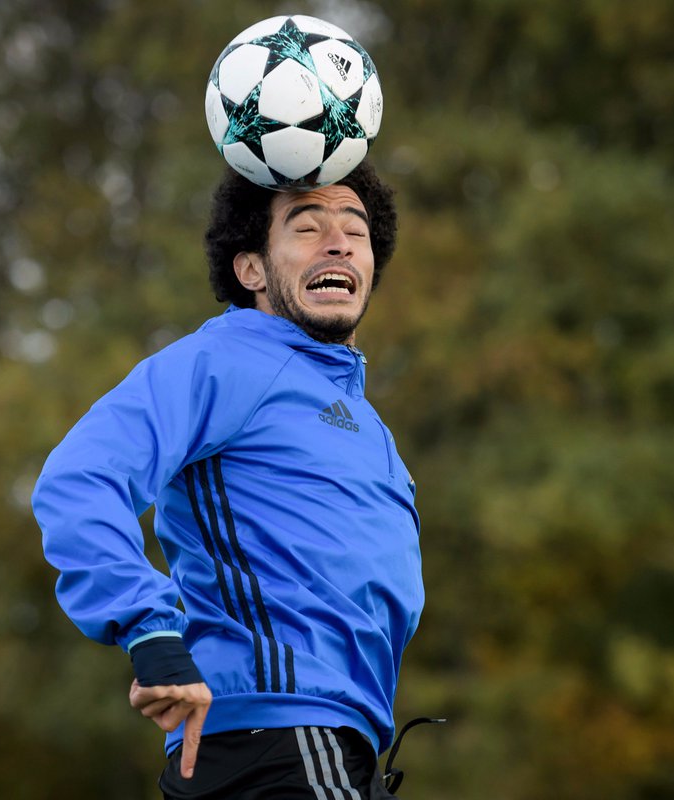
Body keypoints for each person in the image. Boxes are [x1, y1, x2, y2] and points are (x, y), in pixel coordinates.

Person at [32, 161, 426, 799]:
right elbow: (79, 478)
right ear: (250, 270)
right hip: (279, 736)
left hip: (333, 742)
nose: (339, 244)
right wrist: (150, 629)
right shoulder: (225, 359)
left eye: (356, 231)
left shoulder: (362, 417)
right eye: (308, 228)